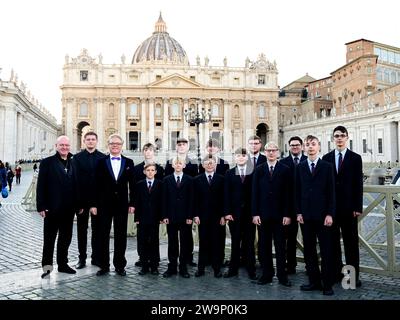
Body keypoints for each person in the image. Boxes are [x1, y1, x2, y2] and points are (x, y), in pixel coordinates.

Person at [322, 126, 363, 288]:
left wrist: (357, 206)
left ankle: (352, 278)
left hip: (349, 209)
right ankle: (336, 274)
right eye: (336, 136)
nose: (339, 138)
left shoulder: (355, 158)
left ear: (347, 138)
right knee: (333, 244)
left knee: (351, 244)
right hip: (331, 210)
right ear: (333, 139)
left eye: (342, 136)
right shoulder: (326, 158)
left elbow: (358, 184)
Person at [90, 134, 135, 276]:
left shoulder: (129, 162)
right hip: (104, 205)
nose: (115, 145)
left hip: (122, 205)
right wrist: (93, 205)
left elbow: (132, 185)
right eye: (112, 143)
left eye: (117, 143)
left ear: (122, 146)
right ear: (108, 145)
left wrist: (132, 203)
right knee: (103, 235)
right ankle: (104, 265)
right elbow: (95, 185)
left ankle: (120, 265)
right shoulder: (100, 162)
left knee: (121, 236)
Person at [296, 135, 335, 296]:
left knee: (326, 250)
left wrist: (330, 214)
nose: (310, 147)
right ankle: (314, 281)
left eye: (313, 144)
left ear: (319, 147)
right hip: (306, 215)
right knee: (309, 250)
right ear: (304, 148)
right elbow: (296, 191)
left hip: (323, 215)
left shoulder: (327, 166)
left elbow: (332, 192)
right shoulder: (300, 166)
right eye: (307, 145)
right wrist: (298, 212)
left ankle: (327, 284)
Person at [36, 136, 78, 276]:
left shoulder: (74, 161)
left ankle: (63, 264)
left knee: (65, 239)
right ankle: (47, 267)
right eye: (62, 145)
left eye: (67, 145)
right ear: (56, 146)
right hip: (51, 208)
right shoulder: (47, 162)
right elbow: (41, 185)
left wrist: (79, 204)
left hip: (69, 208)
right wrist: (41, 206)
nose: (64, 147)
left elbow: (78, 184)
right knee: (49, 239)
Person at [252, 142, 292, 287]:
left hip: (280, 216)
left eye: (273, 150)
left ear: (278, 152)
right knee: (264, 246)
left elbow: (289, 194)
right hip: (263, 215)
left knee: (281, 247)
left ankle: (282, 276)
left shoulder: (285, 169)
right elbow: (254, 193)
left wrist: (288, 214)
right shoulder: (259, 169)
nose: (270, 153)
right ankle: (266, 274)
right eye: (268, 150)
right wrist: (255, 213)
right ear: (265, 152)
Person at [72, 131, 105, 269]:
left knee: (97, 231)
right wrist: (77, 204)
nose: (91, 141)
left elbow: (104, 183)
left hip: (97, 202)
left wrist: (97, 203)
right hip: (82, 202)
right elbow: (74, 181)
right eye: (88, 139)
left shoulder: (103, 158)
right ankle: (82, 258)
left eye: (93, 139)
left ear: (96, 141)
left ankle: (96, 257)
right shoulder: (77, 158)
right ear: (84, 141)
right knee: (81, 231)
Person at [224, 148, 257, 280]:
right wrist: (227, 213)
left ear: (247, 158)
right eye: (238, 155)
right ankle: (233, 269)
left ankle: (251, 269)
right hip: (234, 214)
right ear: (235, 158)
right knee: (235, 241)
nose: (241, 158)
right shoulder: (229, 173)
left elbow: (256, 193)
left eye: (243, 155)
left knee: (249, 242)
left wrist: (255, 213)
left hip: (250, 214)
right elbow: (226, 194)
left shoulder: (253, 172)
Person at [164, 137, 198, 266]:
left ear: (187, 147)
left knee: (187, 237)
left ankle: (188, 258)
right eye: (179, 144)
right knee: (172, 238)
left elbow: (193, 189)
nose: (182, 146)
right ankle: (172, 262)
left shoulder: (193, 163)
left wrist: (192, 213)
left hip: (185, 208)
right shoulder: (169, 163)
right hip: (172, 209)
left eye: (184, 144)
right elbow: (166, 184)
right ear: (176, 147)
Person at [132, 143, 164, 268]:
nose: (148, 152)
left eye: (150, 150)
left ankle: (154, 259)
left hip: (155, 210)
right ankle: (143, 258)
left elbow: (162, 191)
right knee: (142, 238)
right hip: (143, 209)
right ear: (143, 152)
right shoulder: (137, 168)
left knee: (154, 238)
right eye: (146, 150)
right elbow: (135, 191)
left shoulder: (160, 169)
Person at [194, 155, 225, 278]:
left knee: (217, 243)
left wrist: (223, 215)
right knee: (203, 243)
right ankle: (200, 268)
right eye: (207, 163)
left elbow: (224, 199)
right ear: (203, 165)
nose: (209, 165)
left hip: (218, 217)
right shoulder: (197, 179)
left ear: (215, 164)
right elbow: (194, 199)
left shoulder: (221, 179)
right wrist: (195, 215)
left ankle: (217, 268)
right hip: (202, 217)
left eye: (212, 163)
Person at [162, 157, 194, 278]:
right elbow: (164, 199)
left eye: (180, 163)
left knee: (185, 242)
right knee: (172, 242)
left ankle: (183, 268)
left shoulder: (190, 180)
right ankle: (172, 267)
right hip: (171, 216)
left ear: (184, 165)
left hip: (185, 217)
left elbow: (192, 199)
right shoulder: (166, 180)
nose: (178, 165)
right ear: (173, 165)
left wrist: (190, 216)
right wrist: (164, 215)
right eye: (176, 163)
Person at [280, 136, 308, 274]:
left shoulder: (308, 160)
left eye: (297, 145)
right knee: (289, 239)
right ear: (289, 147)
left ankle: (310, 266)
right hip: (289, 207)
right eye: (292, 145)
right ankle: (291, 265)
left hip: (306, 207)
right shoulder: (283, 162)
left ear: (302, 146)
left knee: (309, 239)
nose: (295, 147)